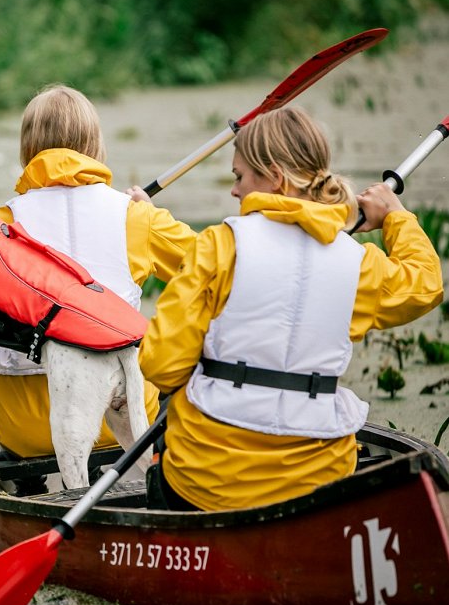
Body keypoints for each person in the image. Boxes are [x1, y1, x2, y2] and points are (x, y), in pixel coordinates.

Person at [138, 106, 444, 512]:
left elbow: (161, 365)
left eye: (239, 176)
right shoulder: (357, 263)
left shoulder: (217, 246)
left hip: (208, 481)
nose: (234, 190)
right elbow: (425, 285)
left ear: (275, 178)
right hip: (320, 480)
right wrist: (396, 217)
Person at [0, 84, 197, 458]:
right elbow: (213, 268)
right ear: (95, 144)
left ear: (27, 148)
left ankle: (21, 483)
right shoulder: (136, 216)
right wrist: (150, 217)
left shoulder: (1, 224)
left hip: (25, 427)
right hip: (122, 422)